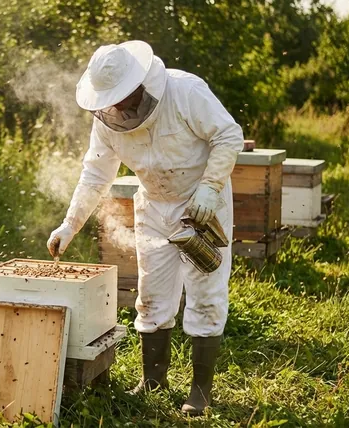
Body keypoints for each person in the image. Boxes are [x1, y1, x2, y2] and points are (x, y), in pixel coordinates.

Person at [46, 40, 243, 416]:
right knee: (151, 296)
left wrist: (210, 186)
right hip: (153, 204)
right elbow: (95, 174)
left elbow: (228, 135)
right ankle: (153, 381)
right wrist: (69, 226)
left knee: (205, 293)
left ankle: (200, 390)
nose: (118, 106)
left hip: (202, 201)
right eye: (111, 99)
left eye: (123, 96)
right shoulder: (106, 118)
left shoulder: (185, 90)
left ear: (141, 83)